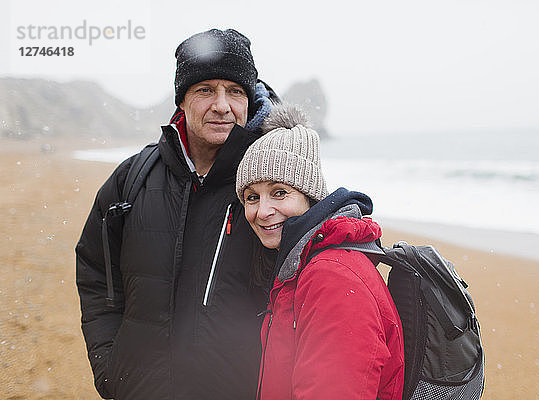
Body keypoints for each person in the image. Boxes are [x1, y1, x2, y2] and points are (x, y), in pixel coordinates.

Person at [75, 29, 278, 400]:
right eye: (205, 90)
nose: (222, 105)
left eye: (235, 91)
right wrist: (110, 365)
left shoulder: (273, 187)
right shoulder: (131, 179)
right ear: (181, 101)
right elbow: (95, 272)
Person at [235, 103, 405, 399]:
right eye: (251, 197)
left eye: (279, 192)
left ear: (310, 196)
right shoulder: (304, 265)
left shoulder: (332, 275)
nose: (262, 211)